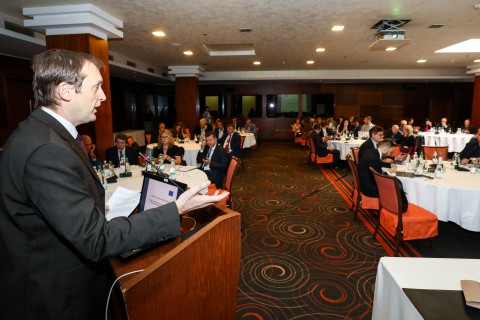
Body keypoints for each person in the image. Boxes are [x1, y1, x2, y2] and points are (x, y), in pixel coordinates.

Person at [0, 49, 228, 319]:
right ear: (65, 91)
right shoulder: (48, 149)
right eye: (96, 87)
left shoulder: (40, 132)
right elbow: (96, 239)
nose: (103, 96)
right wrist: (174, 209)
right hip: (55, 295)